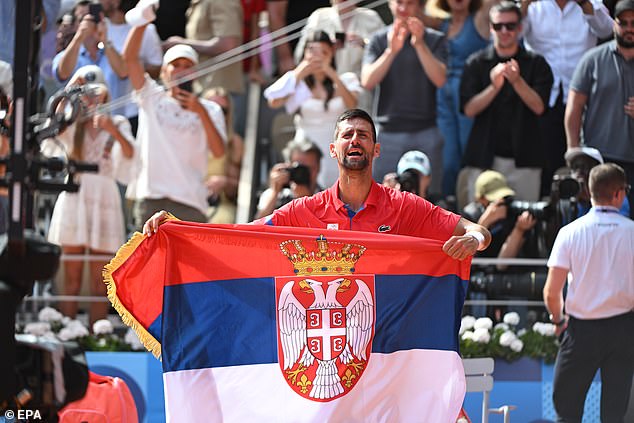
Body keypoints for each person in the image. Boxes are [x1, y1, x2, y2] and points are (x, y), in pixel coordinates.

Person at [144, 109, 492, 262]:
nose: (355, 140)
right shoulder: (305, 209)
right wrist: (181, 230)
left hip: (386, 349)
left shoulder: (403, 205)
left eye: (364, 136)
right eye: (347, 135)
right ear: (333, 149)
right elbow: (243, 236)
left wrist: (473, 238)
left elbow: (477, 231)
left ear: (376, 149)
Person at [543, 163, 634, 423]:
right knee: (615, 415)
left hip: (580, 330)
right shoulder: (632, 233)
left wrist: (559, 321)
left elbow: (551, 291)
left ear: (590, 191)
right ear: (618, 193)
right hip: (623, 330)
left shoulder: (569, 233)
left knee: (566, 413)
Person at [43, 65, 135, 323]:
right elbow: (50, 137)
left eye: (96, 92)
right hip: (75, 196)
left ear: (106, 94)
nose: (91, 98)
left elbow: (131, 158)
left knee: (100, 282)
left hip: (104, 198)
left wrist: (112, 130)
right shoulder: (72, 122)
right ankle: (66, 335)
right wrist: (70, 89)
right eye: (86, 93)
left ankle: (98, 340)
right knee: (70, 279)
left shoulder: (117, 122)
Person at [122, 19, 227, 228]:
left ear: (195, 73)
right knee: (151, 262)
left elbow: (219, 151)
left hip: (191, 204)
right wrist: (141, 21)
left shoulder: (210, 108)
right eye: (175, 65)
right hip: (151, 199)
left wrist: (200, 111)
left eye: (188, 66)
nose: (181, 70)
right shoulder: (152, 97)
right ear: (164, 71)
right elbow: (130, 59)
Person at [459, 1, 553, 203]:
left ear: (520, 28)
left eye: (510, 26)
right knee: (478, 225)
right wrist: (494, 86)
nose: (504, 31)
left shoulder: (537, 63)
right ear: (490, 28)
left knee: (525, 222)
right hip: (484, 158)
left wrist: (517, 80)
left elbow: (539, 107)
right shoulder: (476, 62)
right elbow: (468, 109)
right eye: (498, 26)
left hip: (525, 159)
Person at [521, 0, 613, 197]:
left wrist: (584, 4)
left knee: (581, 161)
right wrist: (525, 4)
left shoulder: (590, 2)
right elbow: (514, 32)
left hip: (583, 95)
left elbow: (607, 30)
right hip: (543, 95)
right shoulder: (535, 6)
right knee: (545, 161)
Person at [362, 0, 447, 196]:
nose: (403, 8)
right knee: (382, 195)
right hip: (388, 133)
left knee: (429, 198)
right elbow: (367, 81)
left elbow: (440, 79)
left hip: (426, 131)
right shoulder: (378, 39)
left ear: (419, 6)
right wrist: (391, 50)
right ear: (390, 4)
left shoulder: (434, 39)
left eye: (410, 3)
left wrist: (419, 44)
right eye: (399, 2)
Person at [264, 30, 360, 187]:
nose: (318, 57)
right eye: (312, 51)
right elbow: (273, 101)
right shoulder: (298, 84)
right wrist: (299, 73)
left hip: (334, 146)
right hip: (305, 146)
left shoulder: (345, 79)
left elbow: (352, 104)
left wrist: (331, 73)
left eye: (324, 52)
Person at [565, 0, 634, 218]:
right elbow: (574, 108)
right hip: (599, 160)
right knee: (597, 225)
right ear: (614, 24)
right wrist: (574, 152)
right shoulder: (592, 59)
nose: (629, 28)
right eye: (623, 22)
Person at [424, 0, 495, 197]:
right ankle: (449, 202)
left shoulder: (479, 18)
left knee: (469, 152)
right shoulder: (441, 23)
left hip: (468, 94)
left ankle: (474, 201)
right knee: (448, 158)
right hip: (442, 96)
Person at [293, 0, 385, 111]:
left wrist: (365, 44)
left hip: (360, 91)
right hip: (326, 90)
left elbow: (386, 54)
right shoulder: (319, 17)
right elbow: (300, 55)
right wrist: (325, 49)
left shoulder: (371, 17)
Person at [162, 0, 245, 98]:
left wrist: (182, 44)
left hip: (219, 91)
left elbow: (227, 44)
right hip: (203, 85)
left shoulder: (221, 2)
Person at [203, 87, 244, 223]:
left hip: (221, 206)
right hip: (189, 200)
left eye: (223, 111)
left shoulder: (235, 143)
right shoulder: (188, 138)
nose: (217, 114)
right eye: (211, 108)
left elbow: (244, 187)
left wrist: (224, 182)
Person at [254, 139, 323, 219]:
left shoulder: (326, 199)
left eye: (309, 169)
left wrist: (306, 202)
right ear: (288, 166)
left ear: (318, 168)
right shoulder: (276, 194)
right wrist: (274, 192)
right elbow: (259, 225)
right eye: (298, 168)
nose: (303, 173)